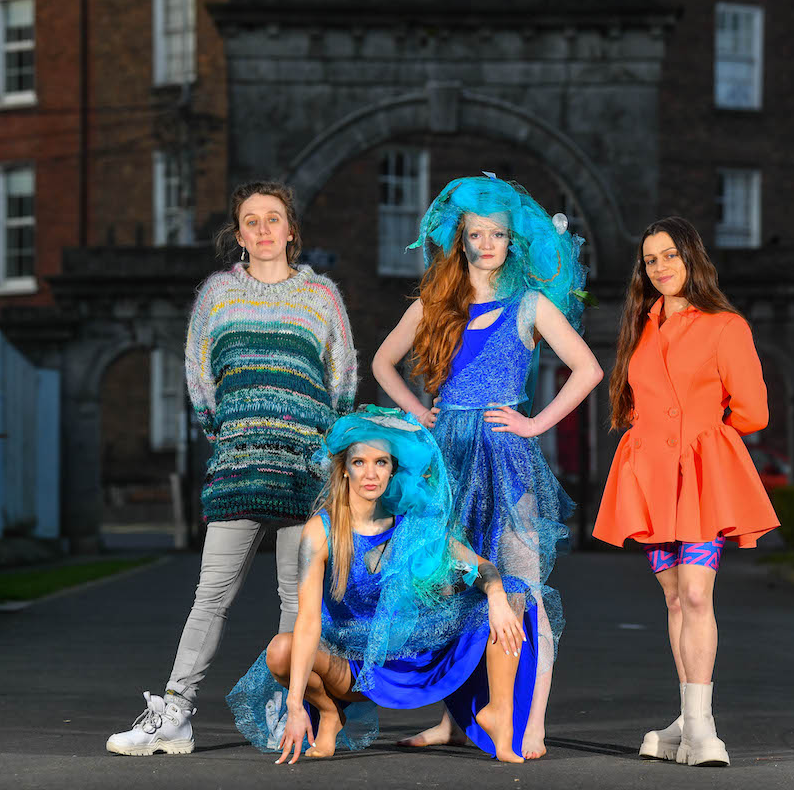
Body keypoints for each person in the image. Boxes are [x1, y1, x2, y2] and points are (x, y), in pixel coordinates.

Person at [106, 181, 358, 756]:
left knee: (297, 601)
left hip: (305, 472)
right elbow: (200, 382)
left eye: (274, 219)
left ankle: (286, 710)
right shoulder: (217, 295)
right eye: (252, 220)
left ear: (291, 231)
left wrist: (316, 445)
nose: (264, 229)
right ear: (238, 233)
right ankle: (173, 713)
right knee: (211, 593)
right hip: (238, 468)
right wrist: (238, 433)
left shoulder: (322, 297)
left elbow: (341, 383)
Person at [372, 174, 603, 759]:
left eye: (497, 233)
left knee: (522, 583)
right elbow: (381, 363)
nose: (487, 243)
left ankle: (533, 724)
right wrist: (420, 412)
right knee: (447, 588)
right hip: (446, 459)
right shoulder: (436, 302)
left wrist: (534, 423)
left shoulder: (530, 303)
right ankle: (454, 719)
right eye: (476, 234)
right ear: (463, 241)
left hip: (505, 455)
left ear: (510, 240)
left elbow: (588, 370)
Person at [227, 406, 535, 764]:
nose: (370, 473)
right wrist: (294, 705)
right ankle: (329, 713)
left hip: (410, 654)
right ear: (343, 470)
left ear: (392, 471)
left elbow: (481, 566)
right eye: (360, 463)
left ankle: (498, 715)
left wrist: (495, 593)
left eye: (381, 463)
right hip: (352, 667)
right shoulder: (321, 532)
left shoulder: (412, 526)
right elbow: (308, 621)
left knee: (510, 592)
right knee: (280, 651)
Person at [592, 217, 780, 767]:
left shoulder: (726, 325)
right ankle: (684, 717)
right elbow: (629, 403)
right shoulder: (638, 326)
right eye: (651, 260)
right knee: (674, 598)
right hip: (652, 474)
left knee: (698, 595)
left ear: (692, 258)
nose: (661, 267)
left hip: (700, 475)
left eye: (671, 255)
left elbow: (754, 411)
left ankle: (701, 727)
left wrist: (703, 432)